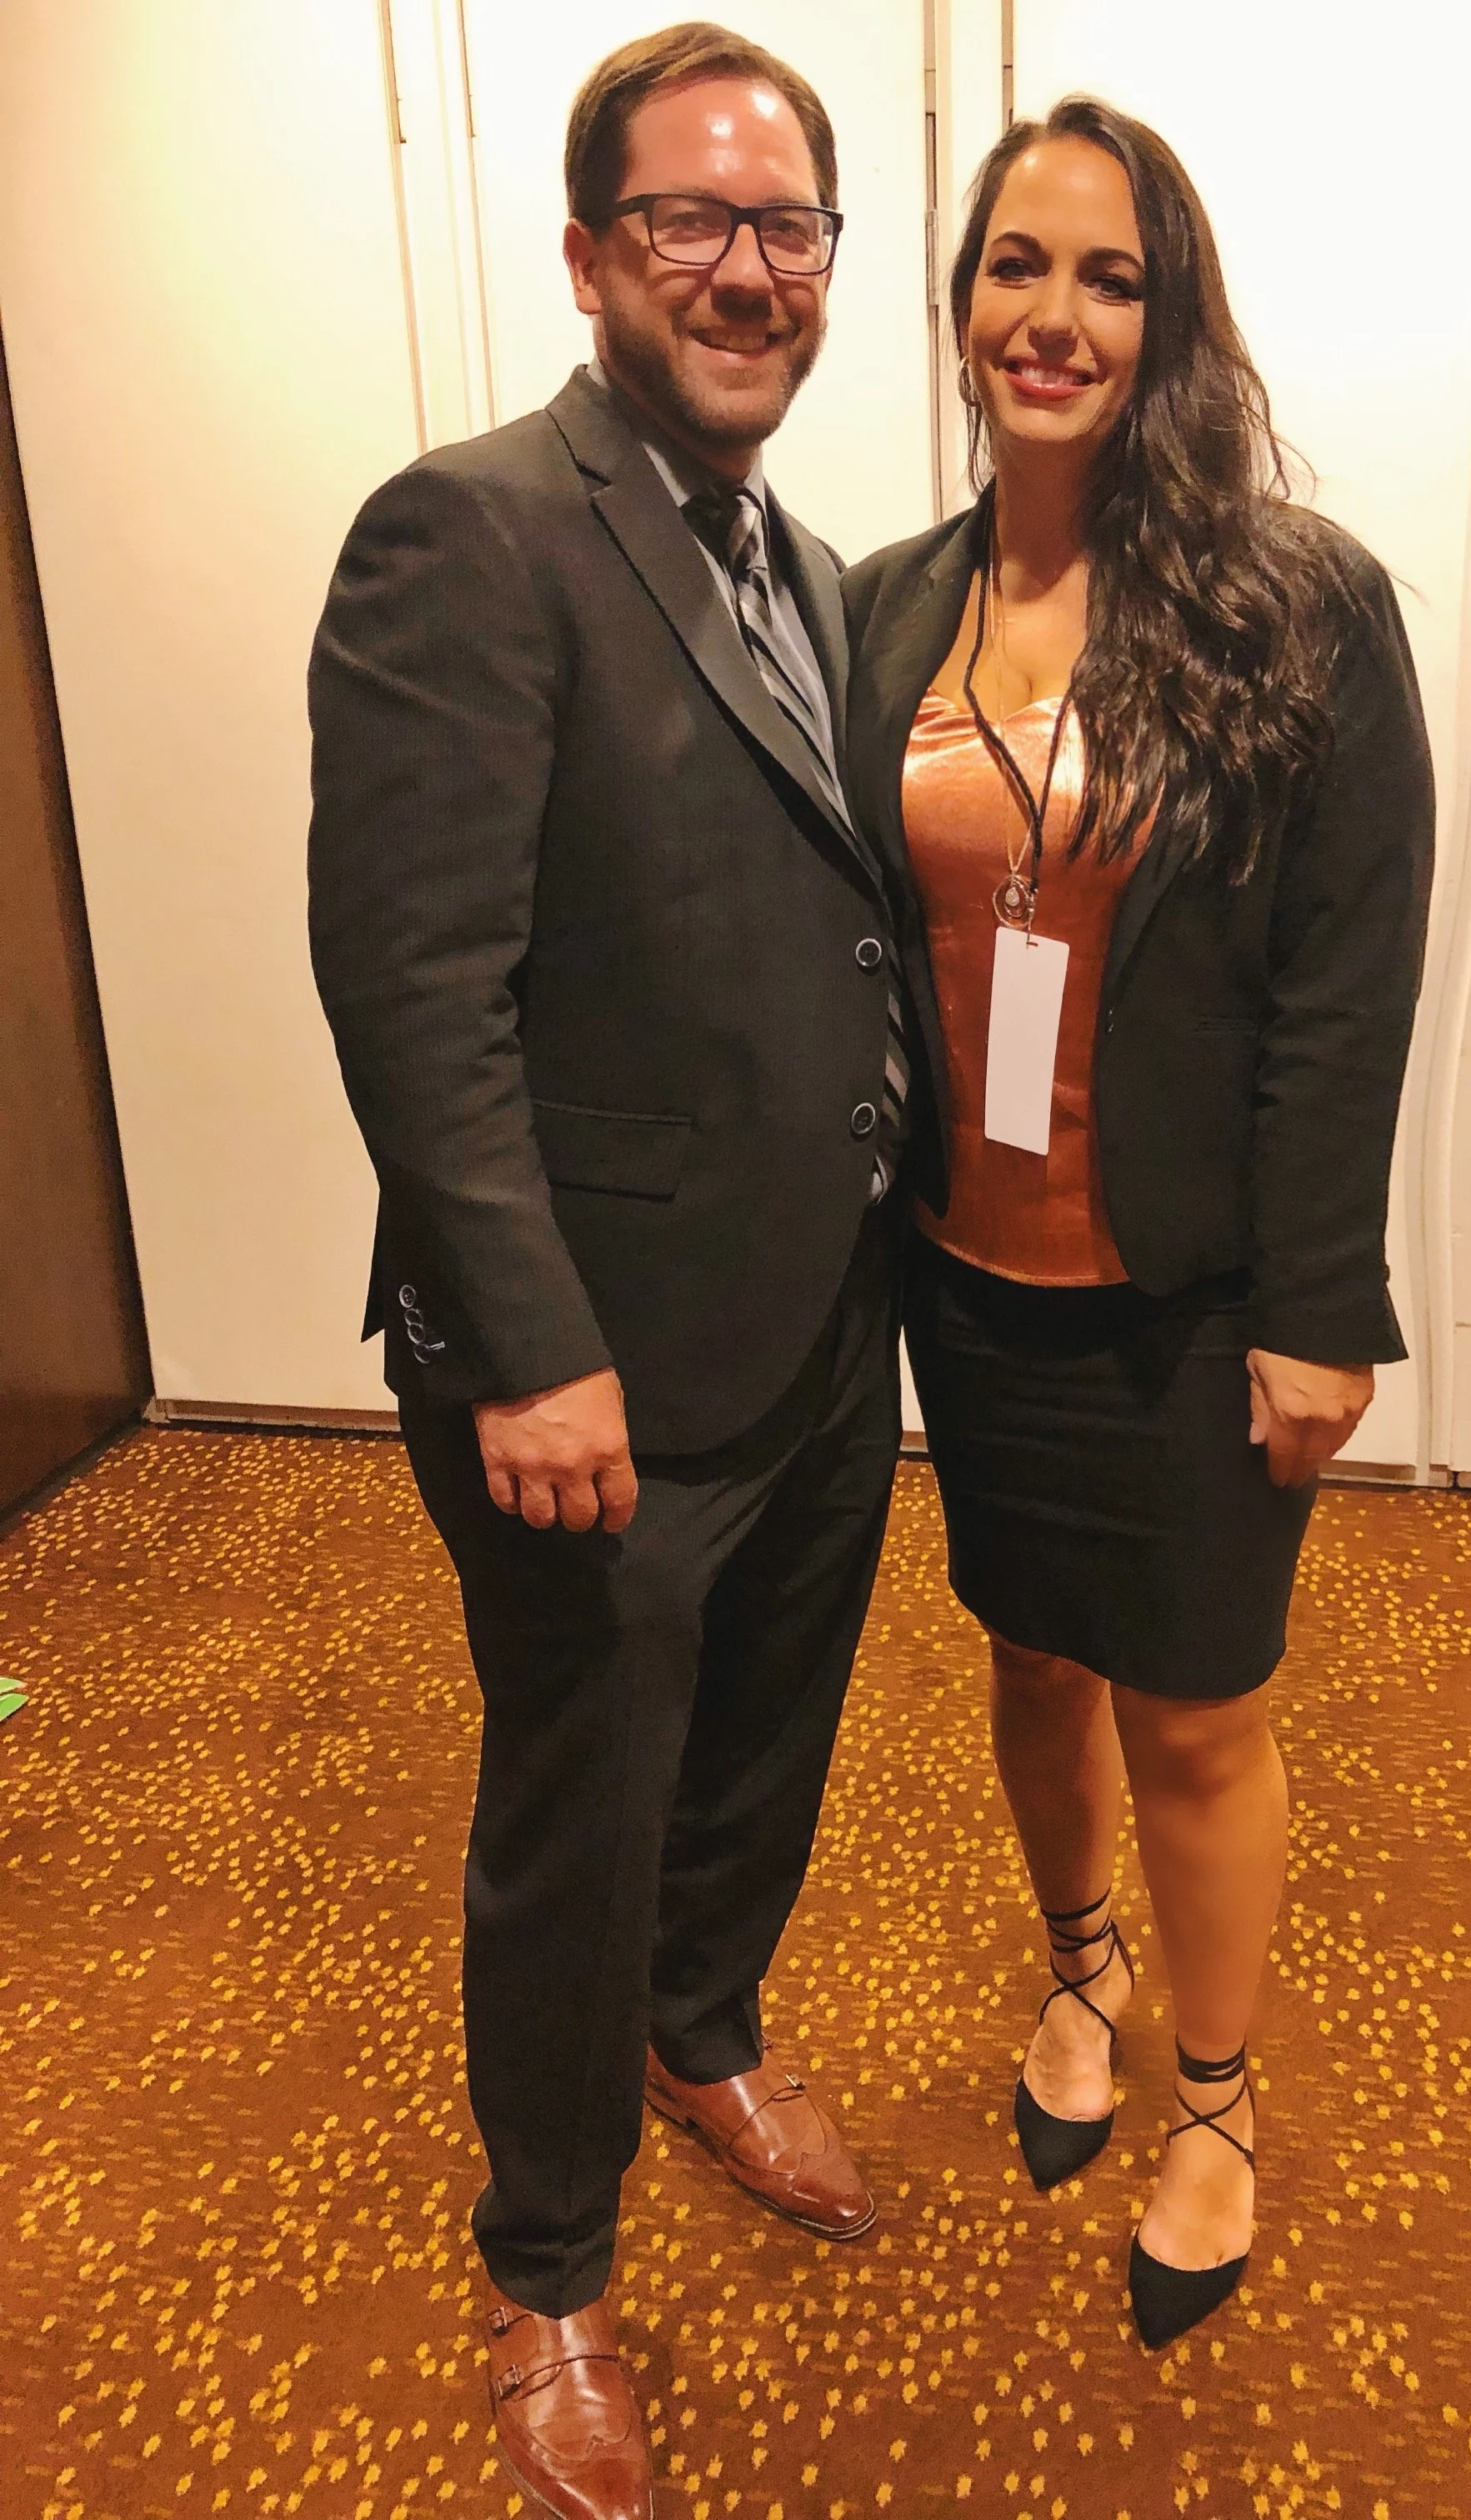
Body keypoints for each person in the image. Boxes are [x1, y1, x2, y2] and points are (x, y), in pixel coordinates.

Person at [308, 27, 911, 2517]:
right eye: (692, 221)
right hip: (584, 1381)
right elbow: (411, 984)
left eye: (790, 228)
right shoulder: (469, 534)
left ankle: (707, 2027)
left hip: (812, 1319)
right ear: (585, 258)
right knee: (583, 1806)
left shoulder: (820, 571)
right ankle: (546, 2276)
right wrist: (534, 1353)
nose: (747, 271)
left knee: (759, 1753)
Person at [843, 97, 1433, 2352]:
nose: (1053, 317)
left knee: (1194, 1710)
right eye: (1016, 266)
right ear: (960, 297)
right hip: (966, 1278)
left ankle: (1213, 2095)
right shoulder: (887, 601)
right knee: (1024, 1650)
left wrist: (1321, 1303)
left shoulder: (1294, 611)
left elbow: (1340, 981)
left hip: (1189, 1297)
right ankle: (1072, 1975)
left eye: (1106, 277)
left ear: (1165, 317)